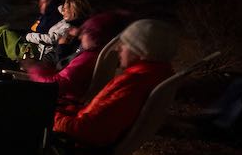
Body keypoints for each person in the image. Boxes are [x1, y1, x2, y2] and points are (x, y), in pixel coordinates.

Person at [53, 19, 178, 147]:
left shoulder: (133, 84)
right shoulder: (154, 75)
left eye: (125, 44)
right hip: (80, 129)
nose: (118, 48)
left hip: (75, 148)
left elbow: (87, 129)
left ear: (141, 50)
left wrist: (51, 116)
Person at [25, 11, 130, 108]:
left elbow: (57, 84)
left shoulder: (88, 58)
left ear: (95, 35)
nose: (80, 36)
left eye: (84, 32)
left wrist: (33, 68)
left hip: (61, 105)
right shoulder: (93, 54)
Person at [24, 0, 92, 62]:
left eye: (65, 9)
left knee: (19, 44)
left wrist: (29, 36)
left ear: (73, 12)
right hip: (44, 48)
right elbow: (60, 8)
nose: (63, 10)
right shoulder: (70, 20)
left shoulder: (69, 28)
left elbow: (52, 39)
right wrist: (66, 8)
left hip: (47, 52)